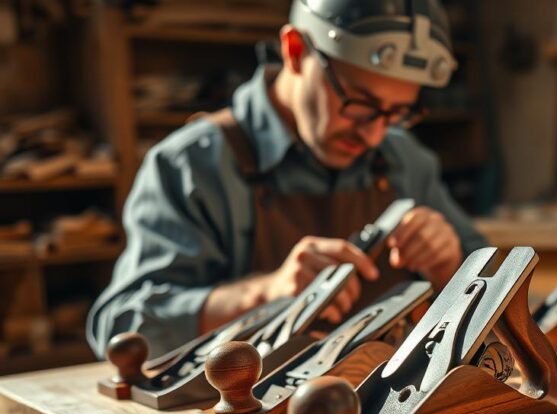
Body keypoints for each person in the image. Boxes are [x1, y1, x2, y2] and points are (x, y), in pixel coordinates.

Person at [87, 0, 488, 357]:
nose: (374, 134)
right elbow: (118, 327)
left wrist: (451, 266)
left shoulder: (403, 158)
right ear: (295, 50)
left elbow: (497, 287)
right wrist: (267, 294)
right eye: (359, 103)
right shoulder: (190, 165)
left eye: (397, 112)